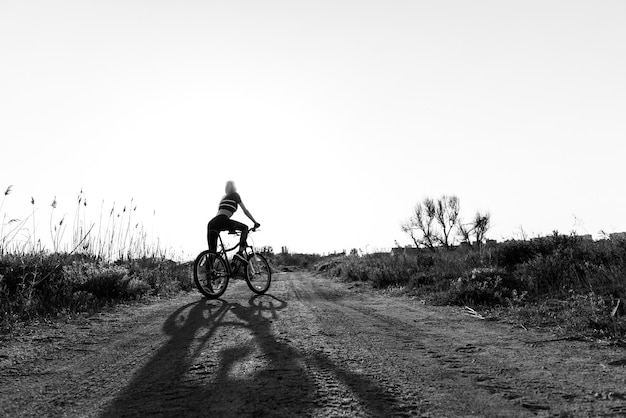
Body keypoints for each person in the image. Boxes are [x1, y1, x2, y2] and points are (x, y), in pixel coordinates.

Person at [207, 181, 260, 264]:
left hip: (212, 223)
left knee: (212, 252)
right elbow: (245, 211)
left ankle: (209, 274)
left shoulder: (223, 198)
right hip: (223, 220)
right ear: (234, 187)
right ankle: (239, 254)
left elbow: (222, 212)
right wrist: (255, 222)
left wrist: (231, 229)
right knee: (245, 228)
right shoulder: (235, 195)